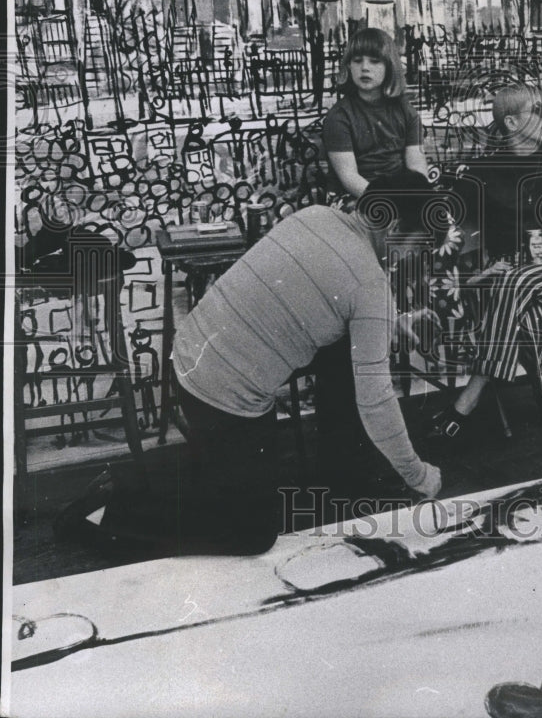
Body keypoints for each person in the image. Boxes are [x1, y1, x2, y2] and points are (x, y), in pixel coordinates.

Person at [56, 172, 445, 558]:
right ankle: (114, 508)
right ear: (393, 224)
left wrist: (389, 326)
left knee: (345, 354)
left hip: (192, 356)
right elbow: (376, 399)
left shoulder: (315, 216)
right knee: (252, 533)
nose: (411, 257)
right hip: (224, 399)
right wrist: (417, 474)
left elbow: (313, 299)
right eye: (416, 246)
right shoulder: (370, 284)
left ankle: (342, 474)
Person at [429, 83, 542, 440]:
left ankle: (469, 399)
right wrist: (478, 270)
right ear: (509, 122)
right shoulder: (484, 173)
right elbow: (451, 221)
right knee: (527, 311)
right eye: (536, 111)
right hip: (508, 277)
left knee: (516, 283)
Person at [322, 27, 429, 201]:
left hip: (398, 190)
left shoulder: (405, 111)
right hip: (356, 194)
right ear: (349, 65)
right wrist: (387, 202)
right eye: (357, 61)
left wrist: (418, 195)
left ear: (389, 66)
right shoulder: (339, 117)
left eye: (374, 61)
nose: (365, 68)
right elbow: (349, 177)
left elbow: (416, 164)